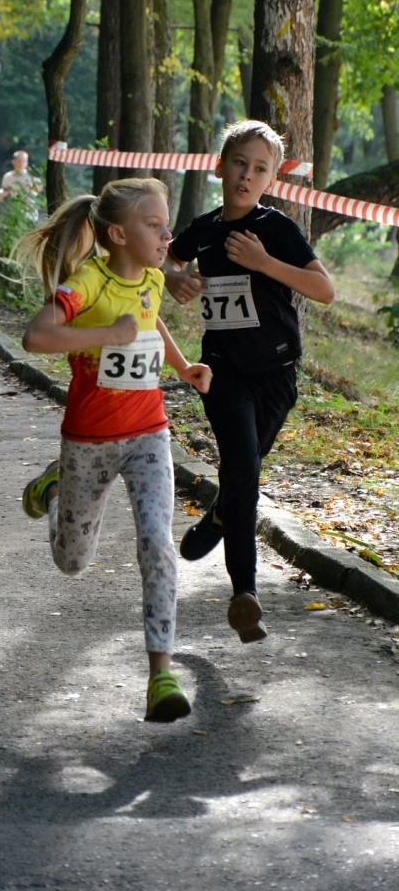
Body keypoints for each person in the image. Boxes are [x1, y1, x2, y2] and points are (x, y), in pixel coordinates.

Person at [18, 178, 212, 723]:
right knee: (72, 562)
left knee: (156, 542)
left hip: (150, 435)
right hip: (88, 443)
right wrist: (107, 334)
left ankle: (160, 676)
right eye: (155, 225)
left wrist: (183, 367)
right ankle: (55, 488)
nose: (167, 233)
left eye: (166, 223)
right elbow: (36, 337)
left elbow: (148, 324)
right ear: (117, 233)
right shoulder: (86, 284)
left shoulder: (152, 277)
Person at [164, 120, 335, 644]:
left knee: (242, 476)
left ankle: (217, 521)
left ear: (271, 178)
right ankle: (245, 594)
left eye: (259, 169)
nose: (246, 175)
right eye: (239, 163)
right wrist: (174, 276)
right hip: (224, 372)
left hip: (277, 375)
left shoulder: (276, 227)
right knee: (244, 469)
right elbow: (168, 256)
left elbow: (324, 289)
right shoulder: (205, 227)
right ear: (221, 165)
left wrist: (264, 262)